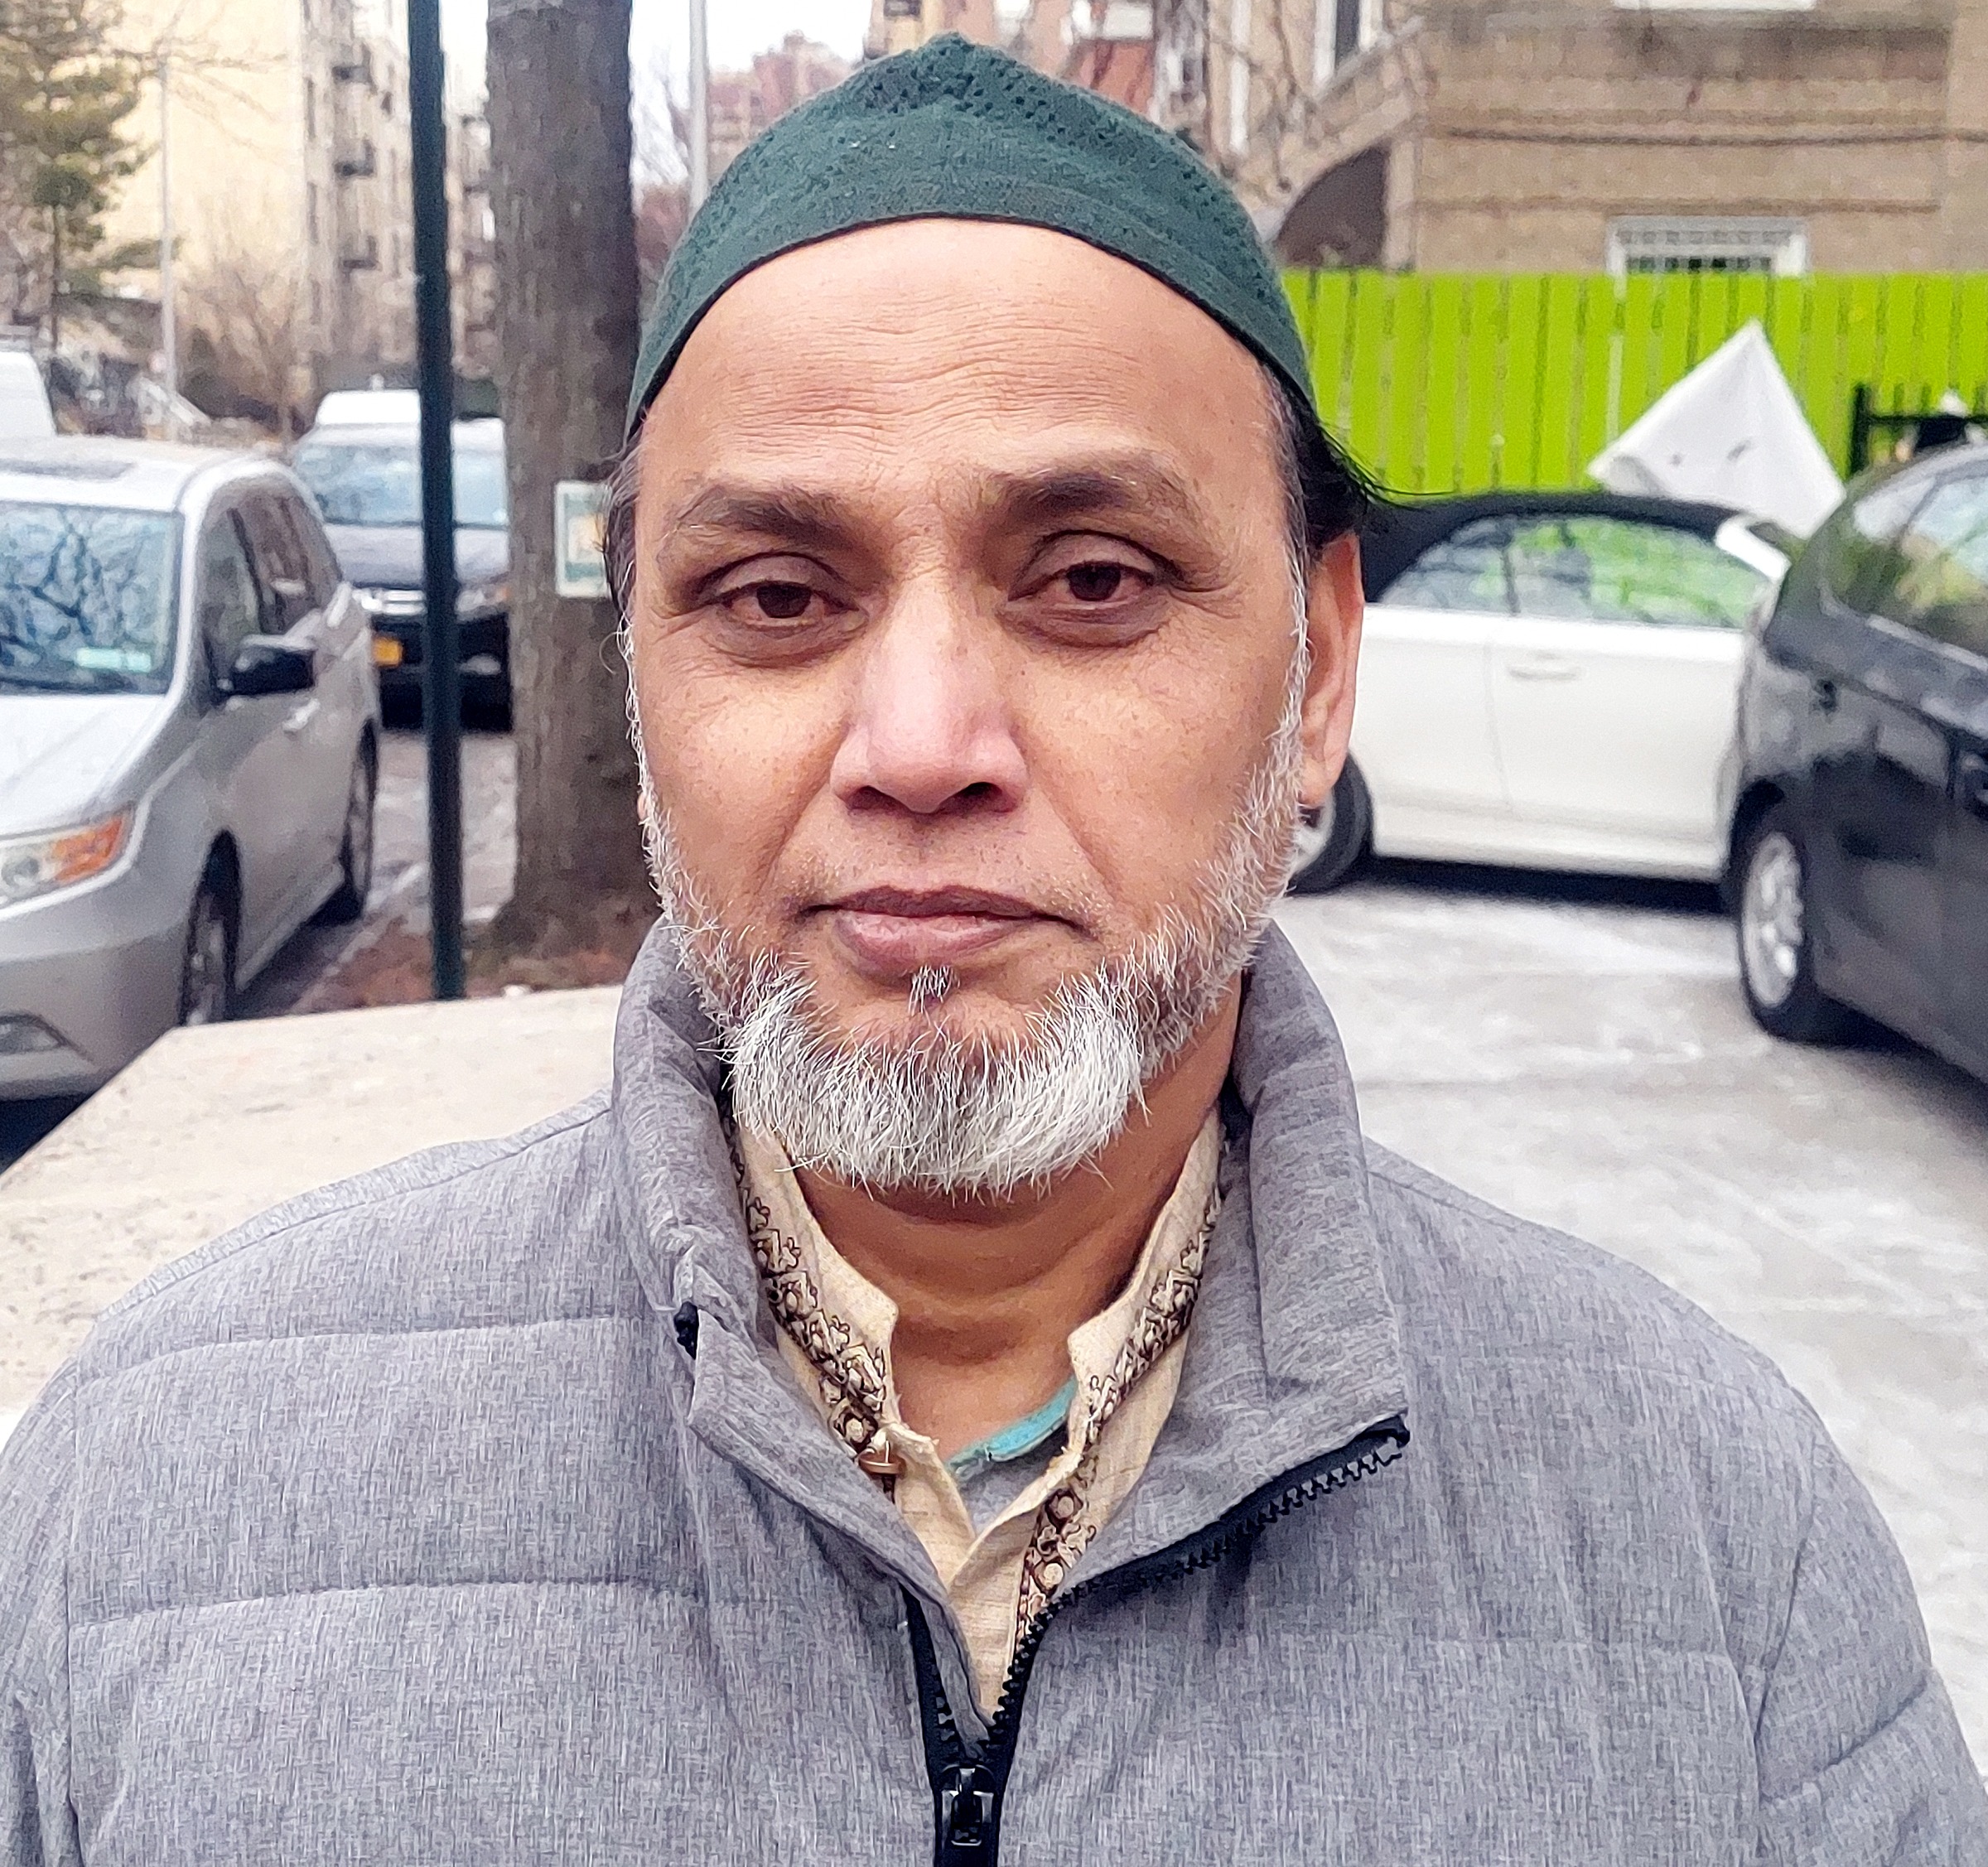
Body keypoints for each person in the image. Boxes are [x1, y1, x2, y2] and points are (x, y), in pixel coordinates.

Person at [2, 36, 1983, 1865]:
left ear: (1318, 672)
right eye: (777, 593)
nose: (924, 743)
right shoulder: (152, 1500)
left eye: (1093, 579)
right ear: (642, 677)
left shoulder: (1724, 1554)